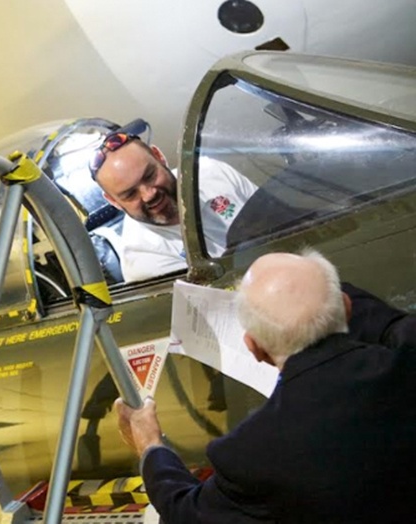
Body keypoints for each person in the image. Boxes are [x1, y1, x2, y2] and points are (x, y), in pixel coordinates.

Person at [115, 250, 416, 523]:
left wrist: (151, 447)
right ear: (347, 306)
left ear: (254, 347)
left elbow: (186, 512)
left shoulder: (250, 452)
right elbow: (390, 324)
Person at [89, 130, 257, 282]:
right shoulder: (144, 262)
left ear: (159, 156)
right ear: (114, 201)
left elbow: (275, 216)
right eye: (130, 194)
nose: (149, 195)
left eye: (149, 176)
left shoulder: (211, 172)